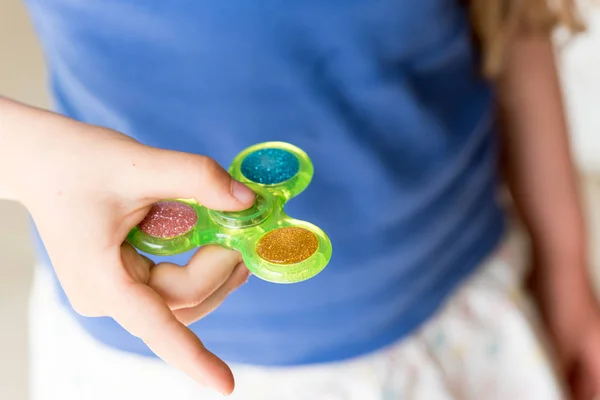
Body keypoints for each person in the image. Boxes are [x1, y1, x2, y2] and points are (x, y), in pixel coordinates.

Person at [1, 0, 598, 399]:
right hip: (146, 356)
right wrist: (30, 157)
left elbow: (513, 23)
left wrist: (567, 272)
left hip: (461, 310)